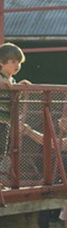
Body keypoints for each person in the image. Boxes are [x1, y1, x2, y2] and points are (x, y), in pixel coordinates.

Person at [0, 43, 32, 181]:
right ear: (1, 62)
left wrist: (20, 85)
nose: (17, 65)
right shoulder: (1, 77)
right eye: (13, 61)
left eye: (19, 62)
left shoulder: (11, 80)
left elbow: (11, 88)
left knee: (2, 152)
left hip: (5, 121)